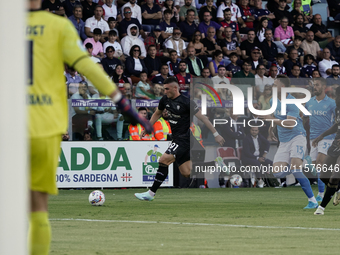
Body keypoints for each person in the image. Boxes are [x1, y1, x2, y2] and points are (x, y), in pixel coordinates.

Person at [27, 1, 152, 254]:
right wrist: (124, 105)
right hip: (44, 125)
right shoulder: (57, 26)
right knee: (38, 208)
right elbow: (88, 68)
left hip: (8, 124)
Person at [134, 77, 225, 201]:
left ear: (175, 88)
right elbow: (157, 113)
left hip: (184, 138)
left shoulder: (187, 102)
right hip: (177, 138)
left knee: (163, 160)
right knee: (186, 172)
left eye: (167, 89)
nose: (164, 91)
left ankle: (150, 193)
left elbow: (203, 118)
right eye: (164, 89)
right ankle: (215, 163)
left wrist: (216, 134)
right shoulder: (165, 99)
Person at [259, 75, 318, 209]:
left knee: (296, 169)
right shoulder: (274, 100)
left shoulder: (292, 102)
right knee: (277, 172)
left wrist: (270, 119)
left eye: (275, 85)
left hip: (297, 136)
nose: (272, 87)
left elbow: (291, 124)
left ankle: (313, 201)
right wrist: (271, 129)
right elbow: (275, 116)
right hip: (284, 140)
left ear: (282, 87)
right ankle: (305, 162)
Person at [304, 78, 336, 202]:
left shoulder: (332, 103)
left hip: (327, 138)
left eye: (317, 85)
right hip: (313, 138)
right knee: (315, 169)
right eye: (313, 85)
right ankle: (335, 188)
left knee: (320, 165)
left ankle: (321, 194)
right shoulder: (309, 102)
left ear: (323, 87)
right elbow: (305, 119)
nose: (314, 87)